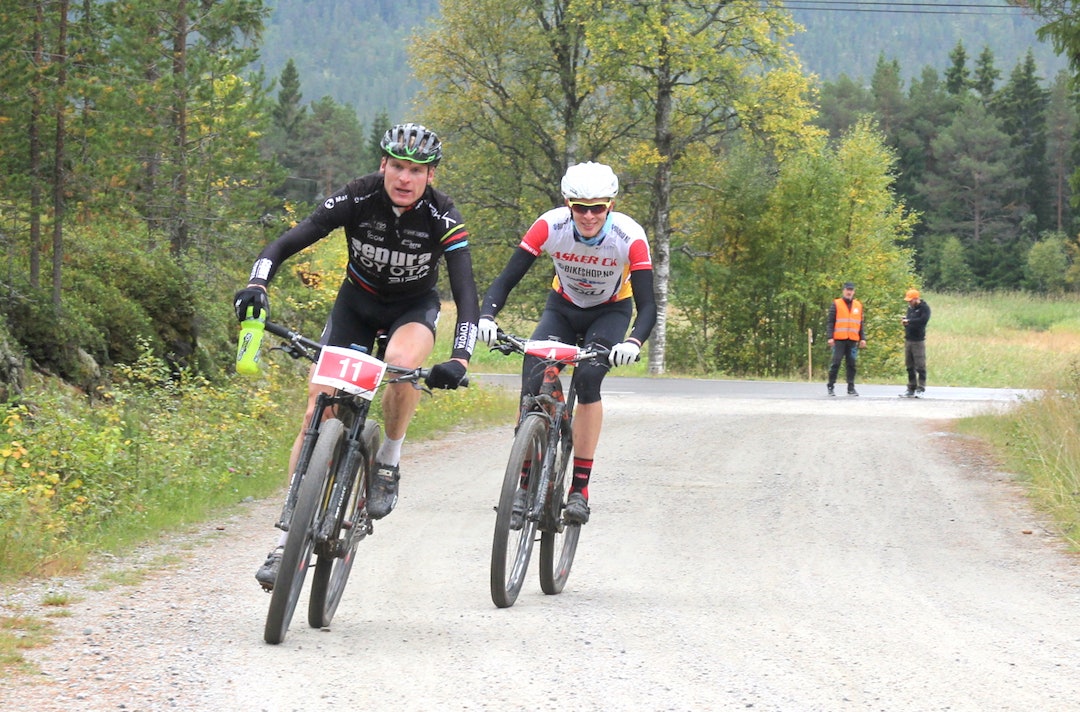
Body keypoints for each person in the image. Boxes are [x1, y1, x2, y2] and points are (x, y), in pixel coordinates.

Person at [233, 122, 479, 590]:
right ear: (383, 165)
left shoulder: (443, 216)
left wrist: (460, 358)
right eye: (398, 167)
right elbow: (287, 242)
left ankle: (388, 457)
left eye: (417, 170)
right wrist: (258, 284)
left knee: (404, 367)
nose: (405, 178)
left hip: (412, 309)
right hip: (356, 306)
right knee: (315, 411)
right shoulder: (358, 196)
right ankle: (289, 535)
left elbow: (466, 293)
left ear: (431, 176)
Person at [477, 161, 656, 525]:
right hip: (562, 308)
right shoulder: (550, 226)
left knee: (589, 380)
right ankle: (524, 485)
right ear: (567, 204)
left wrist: (634, 342)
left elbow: (649, 304)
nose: (589, 216)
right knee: (532, 381)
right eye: (580, 208)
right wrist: (487, 316)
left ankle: (579, 489)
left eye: (598, 208)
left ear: (611, 206)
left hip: (610, 312)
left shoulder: (629, 236)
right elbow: (506, 278)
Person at [826, 281, 866, 396]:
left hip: (852, 340)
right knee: (836, 363)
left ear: (854, 292)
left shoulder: (858, 305)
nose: (849, 292)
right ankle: (830, 386)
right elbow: (830, 322)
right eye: (847, 290)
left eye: (851, 290)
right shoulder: (836, 304)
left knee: (852, 364)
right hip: (839, 339)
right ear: (843, 291)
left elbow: (860, 323)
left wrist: (862, 338)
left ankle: (851, 388)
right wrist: (830, 337)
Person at [901, 288, 931, 397]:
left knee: (920, 366)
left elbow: (922, 321)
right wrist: (905, 322)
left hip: (918, 341)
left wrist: (909, 321)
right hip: (908, 339)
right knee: (909, 366)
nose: (909, 302)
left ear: (916, 299)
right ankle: (911, 388)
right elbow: (909, 321)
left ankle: (921, 388)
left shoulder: (924, 308)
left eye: (910, 300)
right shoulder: (910, 309)